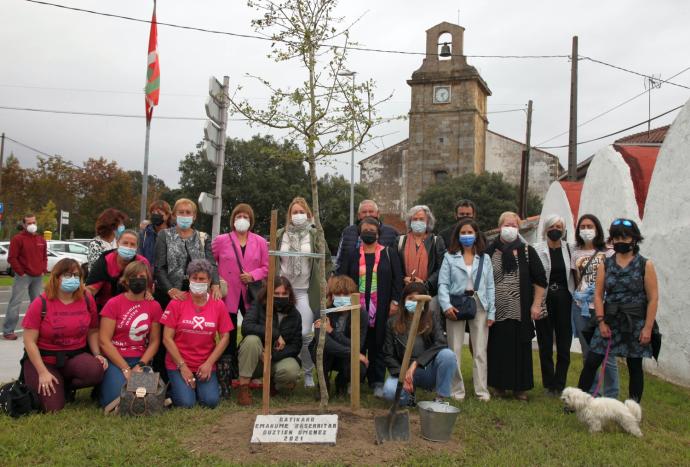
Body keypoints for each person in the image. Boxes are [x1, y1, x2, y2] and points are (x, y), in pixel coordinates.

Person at [578, 219, 658, 403]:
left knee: (635, 366)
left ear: (634, 239)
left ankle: (633, 409)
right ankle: (577, 402)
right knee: (592, 361)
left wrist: (647, 328)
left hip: (635, 321)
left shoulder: (645, 265)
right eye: (616, 237)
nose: (621, 241)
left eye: (625, 237)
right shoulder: (605, 264)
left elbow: (653, 298)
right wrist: (601, 321)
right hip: (609, 320)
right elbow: (598, 295)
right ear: (612, 240)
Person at [21, 258, 106, 412]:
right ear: (56, 277)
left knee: (95, 370)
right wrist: (42, 372)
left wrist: (97, 354)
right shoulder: (41, 303)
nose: (73, 279)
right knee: (52, 407)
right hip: (44, 360)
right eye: (67, 275)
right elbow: (29, 341)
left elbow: (93, 330)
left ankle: (65, 386)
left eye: (76, 275)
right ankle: (50, 382)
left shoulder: (87, 299)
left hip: (73, 357)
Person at [337, 216, 403, 395]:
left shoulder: (389, 253)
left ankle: (377, 382)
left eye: (372, 230)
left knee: (378, 343)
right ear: (359, 233)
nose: (369, 233)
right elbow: (342, 279)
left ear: (378, 233)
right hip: (356, 309)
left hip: (381, 308)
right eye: (365, 230)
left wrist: (395, 302)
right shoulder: (352, 254)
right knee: (357, 342)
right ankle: (353, 379)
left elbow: (398, 280)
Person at [485, 212, 546, 401]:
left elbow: (540, 281)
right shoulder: (489, 251)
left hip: (521, 310)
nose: (510, 228)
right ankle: (499, 386)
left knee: (521, 349)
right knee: (497, 348)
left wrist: (536, 305)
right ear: (500, 227)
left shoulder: (527, 251)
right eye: (507, 224)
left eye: (514, 225)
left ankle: (520, 388)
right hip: (496, 311)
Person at [212, 203, 269, 394]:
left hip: (250, 294)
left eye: (245, 216)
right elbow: (212, 263)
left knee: (251, 332)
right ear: (233, 220)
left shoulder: (260, 241)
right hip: (228, 294)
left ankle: (248, 370)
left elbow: (267, 266)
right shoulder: (221, 240)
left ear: (251, 220)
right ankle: (226, 379)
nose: (241, 219)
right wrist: (216, 280)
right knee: (226, 335)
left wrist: (253, 275)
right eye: (238, 216)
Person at [160, 259, 232, 408]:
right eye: (194, 278)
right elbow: (167, 338)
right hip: (178, 363)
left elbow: (225, 337)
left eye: (202, 279)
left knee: (210, 402)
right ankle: (173, 390)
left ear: (209, 281)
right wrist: (183, 367)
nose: (198, 281)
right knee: (187, 403)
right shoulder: (177, 302)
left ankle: (197, 387)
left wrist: (209, 363)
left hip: (204, 363)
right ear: (189, 278)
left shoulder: (218, 304)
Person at [276, 197, 331, 388]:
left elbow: (327, 260)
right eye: (294, 212)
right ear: (289, 215)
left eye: (301, 212)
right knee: (280, 332)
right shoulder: (280, 234)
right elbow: (272, 261)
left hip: (304, 291)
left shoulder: (315, 235)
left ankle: (308, 373)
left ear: (308, 214)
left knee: (306, 334)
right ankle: (287, 372)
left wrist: (324, 280)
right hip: (283, 293)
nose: (298, 215)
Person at [438, 217, 495, 401]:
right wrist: (446, 306)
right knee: (454, 350)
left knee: (480, 350)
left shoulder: (485, 258)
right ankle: (457, 390)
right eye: (463, 232)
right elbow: (443, 284)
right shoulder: (449, 256)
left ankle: (481, 391)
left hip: (479, 304)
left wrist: (492, 312)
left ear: (476, 234)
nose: (467, 235)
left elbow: (490, 286)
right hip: (456, 304)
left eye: (470, 232)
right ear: (457, 235)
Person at [98, 261, 163, 409]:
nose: (138, 279)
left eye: (142, 276)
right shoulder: (113, 303)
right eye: (134, 276)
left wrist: (140, 365)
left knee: (143, 400)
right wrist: (125, 368)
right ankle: (105, 386)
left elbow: (154, 341)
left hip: (139, 359)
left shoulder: (154, 306)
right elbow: (104, 341)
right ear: (126, 280)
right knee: (115, 399)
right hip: (116, 358)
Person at [382, 282, 457, 405]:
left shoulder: (432, 317)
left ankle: (440, 399)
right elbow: (388, 355)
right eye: (411, 299)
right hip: (404, 372)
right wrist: (403, 374)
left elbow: (441, 343)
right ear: (403, 300)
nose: (415, 303)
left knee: (448, 355)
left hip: (426, 369)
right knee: (390, 391)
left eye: (418, 299)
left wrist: (417, 363)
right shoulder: (392, 323)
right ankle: (409, 396)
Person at [571, 214, 618, 397]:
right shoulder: (575, 252)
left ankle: (611, 394)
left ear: (597, 229)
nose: (586, 230)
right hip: (580, 307)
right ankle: (592, 393)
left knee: (608, 355)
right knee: (588, 354)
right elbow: (575, 279)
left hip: (603, 308)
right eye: (582, 227)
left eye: (590, 226)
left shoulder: (609, 252)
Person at [236, 276, 302, 406]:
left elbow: (296, 346)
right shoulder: (258, 305)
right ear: (269, 293)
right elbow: (246, 327)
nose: (280, 296)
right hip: (255, 359)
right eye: (276, 293)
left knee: (291, 371)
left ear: (290, 295)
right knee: (251, 340)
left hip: (275, 358)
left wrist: (272, 355)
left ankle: (273, 383)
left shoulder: (295, 315)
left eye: (284, 293)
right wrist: (275, 334)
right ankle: (243, 388)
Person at [534, 215, 575, 396]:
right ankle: (549, 384)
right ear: (546, 229)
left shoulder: (570, 249)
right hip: (544, 298)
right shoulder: (537, 249)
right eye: (552, 226)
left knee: (564, 342)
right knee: (545, 342)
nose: (555, 229)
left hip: (565, 299)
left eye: (559, 226)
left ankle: (560, 383)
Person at [154, 198, 221, 310]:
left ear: (194, 216)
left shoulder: (203, 237)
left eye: (188, 212)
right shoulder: (164, 235)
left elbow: (211, 264)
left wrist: (215, 284)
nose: (185, 215)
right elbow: (159, 267)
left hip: (197, 293)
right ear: (174, 215)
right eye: (181, 212)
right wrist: (170, 289)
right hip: (169, 295)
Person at [310, 275, 368, 396]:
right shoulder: (322, 311)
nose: (342, 298)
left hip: (346, 357)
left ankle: (341, 382)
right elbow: (326, 343)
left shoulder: (361, 314)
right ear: (331, 295)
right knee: (319, 348)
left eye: (346, 294)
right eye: (338, 294)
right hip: (328, 354)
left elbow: (358, 344)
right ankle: (323, 384)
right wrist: (354, 353)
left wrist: (331, 331)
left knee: (360, 368)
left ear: (353, 296)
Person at [3, 214, 47, 340]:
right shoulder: (18, 239)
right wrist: (21, 272)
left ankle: (36, 330)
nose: (32, 225)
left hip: (38, 276)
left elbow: (44, 257)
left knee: (38, 304)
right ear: (23, 225)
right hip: (23, 276)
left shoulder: (41, 239)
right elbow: (12, 258)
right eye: (29, 223)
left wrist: (43, 269)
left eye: (33, 222)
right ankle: (8, 331)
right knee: (15, 303)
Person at [86, 229, 150, 310]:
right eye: (125, 243)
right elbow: (91, 289)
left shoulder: (142, 262)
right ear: (117, 243)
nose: (128, 247)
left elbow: (148, 289)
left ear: (137, 247)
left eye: (132, 244)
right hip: (105, 306)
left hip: (134, 307)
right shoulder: (105, 260)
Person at [334, 199, 399, 271]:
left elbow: (397, 261)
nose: (368, 215)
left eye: (371, 211)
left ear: (378, 214)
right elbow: (340, 259)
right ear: (359, 215)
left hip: (383, 277)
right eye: (364, 212)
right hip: (353, 277)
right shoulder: (348, 232)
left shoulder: (392, 233)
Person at [396, 205, 446, 296]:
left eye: (421, 219)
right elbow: (394, 267)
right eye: (415, 219)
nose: (418, 222)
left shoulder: (437, 241)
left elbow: (442, 268)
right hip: (405, 293)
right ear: (410, 222)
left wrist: (425, 284)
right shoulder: (400, 241)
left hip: (429, 294)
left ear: (428, 222)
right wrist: (403, 279)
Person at [138, 200, 173, 266]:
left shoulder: (175, 235)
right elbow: (139, 256)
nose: (155, 215)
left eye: (159, 213)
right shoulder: (144, 234)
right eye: (153, 213)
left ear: (167, 215)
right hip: (148, 273)